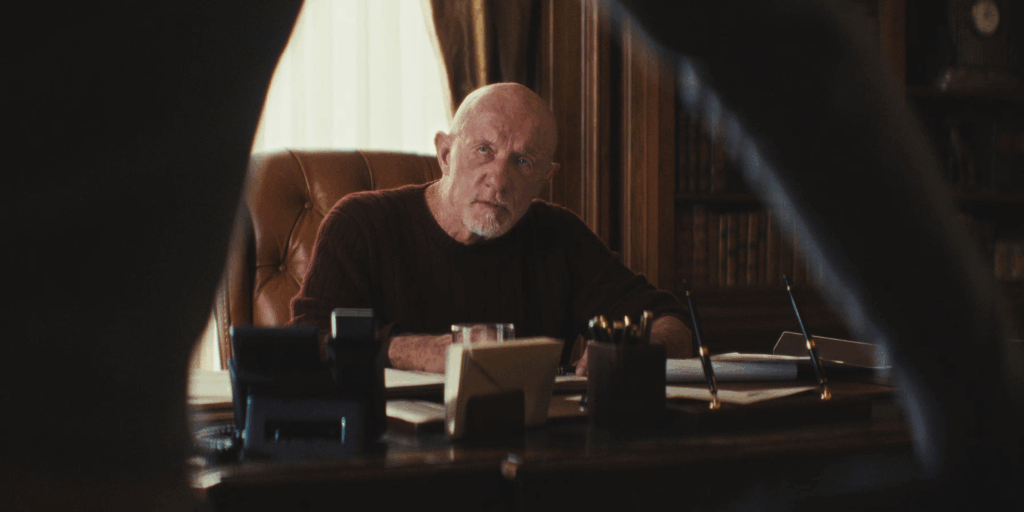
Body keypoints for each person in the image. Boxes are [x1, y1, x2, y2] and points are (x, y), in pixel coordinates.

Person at [290, 82, 693, 373]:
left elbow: (671, 321)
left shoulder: (560, 236)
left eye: (523, 162)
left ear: (545, 178)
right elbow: (306, 344)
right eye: (484, 150)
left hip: (530, 448)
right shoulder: (360, 224)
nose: (499, 181)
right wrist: (412, 351)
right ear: (445, 154)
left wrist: (638, 348)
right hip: (389, 447)